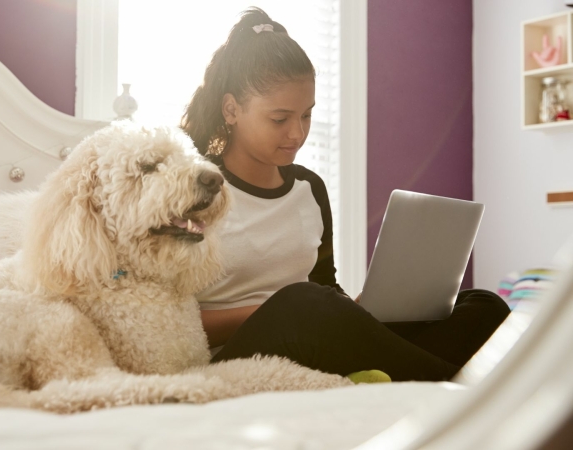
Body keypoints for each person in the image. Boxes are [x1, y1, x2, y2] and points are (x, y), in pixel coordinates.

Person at [180, 7, 510, 382]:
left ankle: (401, 377)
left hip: (313, 335)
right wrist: (272, 309)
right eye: (280, 119)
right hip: (231, 358)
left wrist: (357, 308)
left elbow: (325, 290)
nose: (297, 134)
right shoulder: (195, 190)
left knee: (484, 305)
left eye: (306, 115)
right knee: (300, 302)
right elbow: (171, 321)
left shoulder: (309, 189)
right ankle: (449, 386)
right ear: (231, 109)